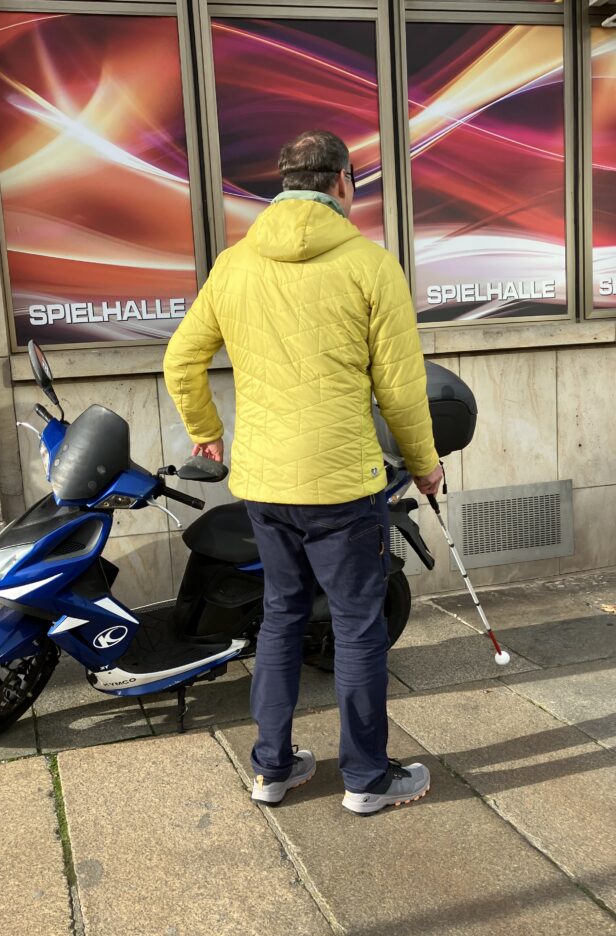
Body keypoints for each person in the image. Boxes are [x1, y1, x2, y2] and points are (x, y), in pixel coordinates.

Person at [163, 130, 442, 816]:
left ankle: (271, 769)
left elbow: (180, 359)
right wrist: (427, 466)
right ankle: (367, 778)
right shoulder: (371, 265)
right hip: (341, 484)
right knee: (355, 627)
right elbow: (403, 391)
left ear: (280, 183)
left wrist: (207, 435)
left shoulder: (235, 263)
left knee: (282, 619)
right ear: (344, 182)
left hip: (263, 485)